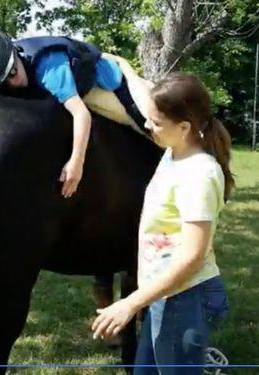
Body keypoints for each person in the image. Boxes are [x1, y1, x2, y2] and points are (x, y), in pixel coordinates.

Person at [92, 55, 233, 374]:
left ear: (184, 127)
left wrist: (130, 303)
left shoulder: (199, 174)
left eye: (155, 123)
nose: (146, 125)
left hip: (186, 297)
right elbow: (147, 103)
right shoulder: (175, 147)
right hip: (162, 292)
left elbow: (191, 258)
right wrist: (124, 67)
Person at [0, 23, 145, 198]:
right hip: (71, 88)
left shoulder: (49, 69)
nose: (14, 83)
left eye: (12, 72)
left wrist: (76, 163)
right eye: (2, 85)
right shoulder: (11, 72)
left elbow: (81, 114)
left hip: (103, 84)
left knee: (151, 122)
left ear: (13, 52)